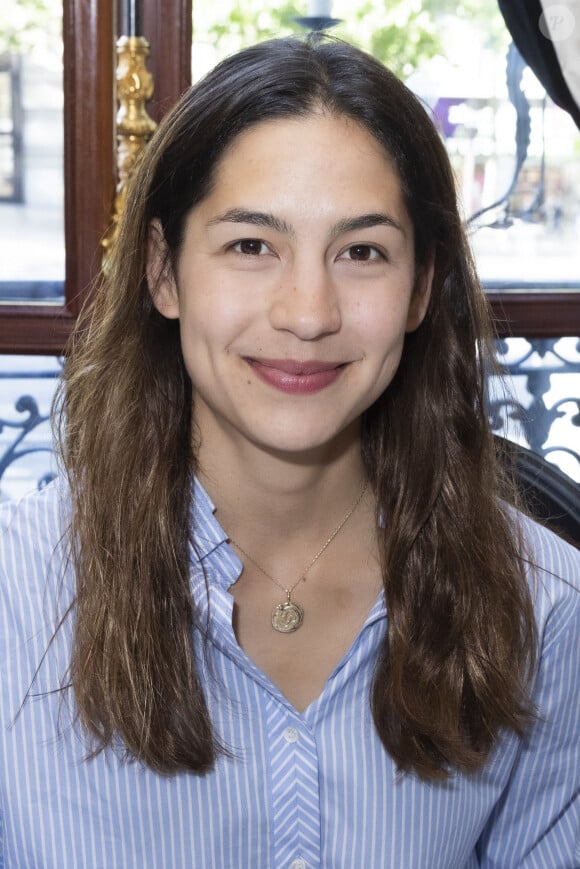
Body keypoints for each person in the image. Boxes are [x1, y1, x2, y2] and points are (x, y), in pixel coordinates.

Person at [0, 35, 578, 869]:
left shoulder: (549, 610)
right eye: (250, 245)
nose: (308, 312)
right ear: (164, 272)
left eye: (362, 252)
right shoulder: (19, 597)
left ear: (421, 288)